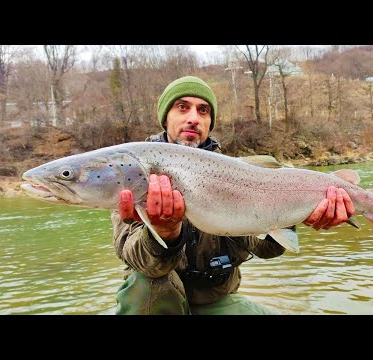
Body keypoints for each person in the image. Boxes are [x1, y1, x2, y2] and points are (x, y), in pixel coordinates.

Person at [111, 76, 355, 315]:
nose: (193, 118)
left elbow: (264, 249)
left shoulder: (235, 174)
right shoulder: (135, 173)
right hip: (156, 301)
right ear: (166, 118)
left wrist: (291, 215)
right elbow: (141, 265)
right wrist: (164, 232)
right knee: (147, 287)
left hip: (215, 300)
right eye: (182, 107)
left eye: (203, 110)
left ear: (210, 122)